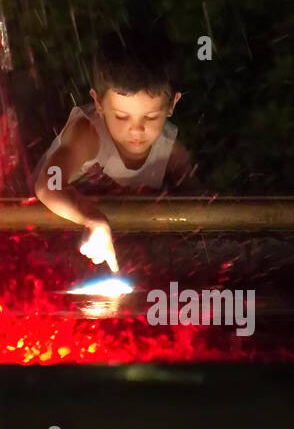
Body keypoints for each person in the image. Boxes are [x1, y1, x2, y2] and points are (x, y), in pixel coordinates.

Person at [33, 30, 199, 273]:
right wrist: (93, 219)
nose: (137, 130)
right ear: (98, 104)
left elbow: (199, 205)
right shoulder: (88, 134)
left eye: (151, 117)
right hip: (47, 240)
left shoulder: (171, 153)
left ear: (172, 104)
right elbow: (48, 185)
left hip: (122, 252)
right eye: (121, 117)